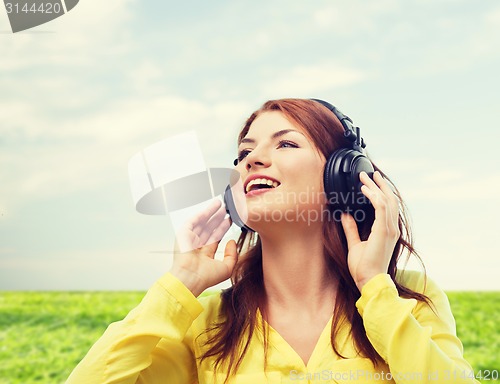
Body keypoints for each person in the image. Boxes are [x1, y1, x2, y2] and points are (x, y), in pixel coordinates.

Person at [66, 99, 479, 384]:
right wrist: (181, 283)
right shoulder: (203, 322)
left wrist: (375, 288)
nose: (251, 159)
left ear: (343, 176)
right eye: (245, 151)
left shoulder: (408, 297)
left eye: (285, 143)